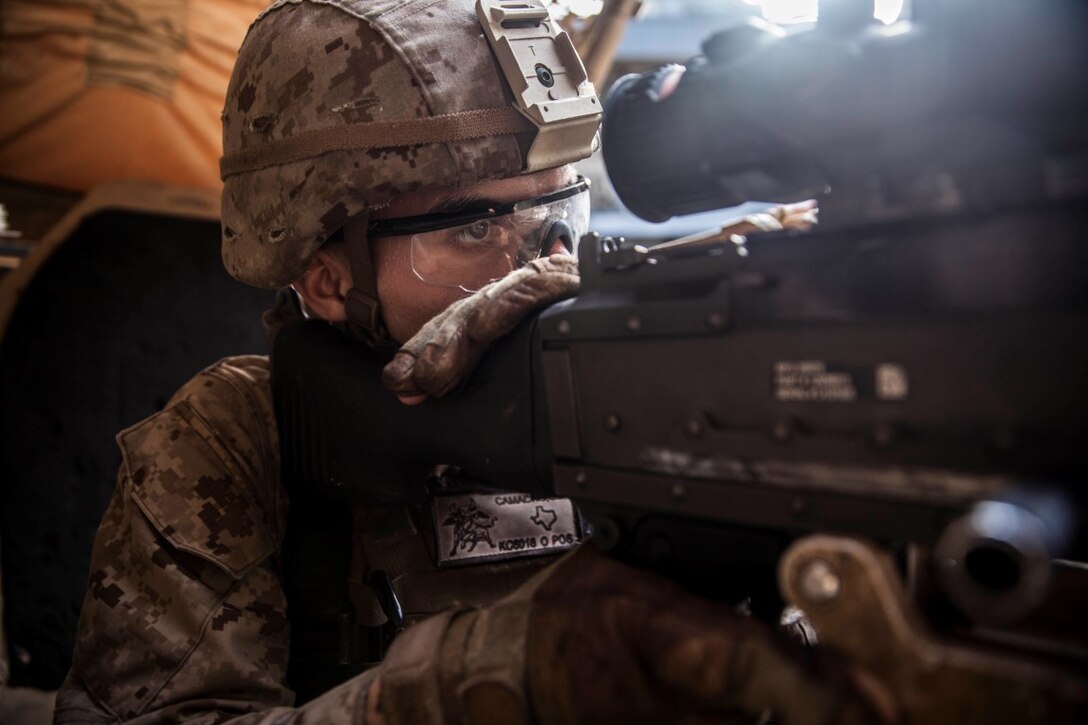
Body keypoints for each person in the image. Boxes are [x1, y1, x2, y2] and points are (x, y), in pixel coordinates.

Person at [54, 1, 876, 723]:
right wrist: (476, 683)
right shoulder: (236, 439)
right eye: (477, 230)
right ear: (327, 277)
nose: (545, 262)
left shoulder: (652, 382)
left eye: (561, 209)